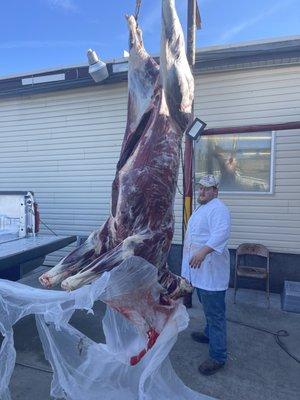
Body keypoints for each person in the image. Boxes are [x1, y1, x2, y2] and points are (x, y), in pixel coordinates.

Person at [181, 174, 231, 376]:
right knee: (208, 309)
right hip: (199, 273)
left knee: (215, 314)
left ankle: (218, 356)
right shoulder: (203, 207)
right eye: (200, 188)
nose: (202, 191)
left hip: (210, 272)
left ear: (215, 191)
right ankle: (209, 335)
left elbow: (222, 233)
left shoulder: (219, 208)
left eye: (207, 188)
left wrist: (202, 252)